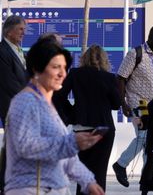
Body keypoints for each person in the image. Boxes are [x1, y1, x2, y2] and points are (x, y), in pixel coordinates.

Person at [4, 39, 104, 195]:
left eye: (64, 67)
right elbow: (25, 145)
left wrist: (88, 181)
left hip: (52, 188)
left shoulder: (45, 104)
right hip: (32, 189)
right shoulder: (25, 102)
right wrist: (71, 141)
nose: (62, 73)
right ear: (37, 69)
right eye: (56, 67)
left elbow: (65, 157)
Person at [54, 44, 122, 193]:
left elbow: (58, 96)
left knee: (83, 173)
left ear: (84, 58)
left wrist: (72, 113)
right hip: (104, 129)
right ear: (104, 60)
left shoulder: (75, 74)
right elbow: (117, 104)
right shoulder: (109, 77)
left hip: (82, 128)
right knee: (100, 173)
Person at [112, 26, 153, 188]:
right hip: (140, 103)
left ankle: (148, 180)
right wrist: (123, 103)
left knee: (151, 143)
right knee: (143, 138)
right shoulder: (135, 54)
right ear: (149, 37)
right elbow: (121, 78)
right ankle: (121, 165)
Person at [0, 15, 28, 124]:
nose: (23, 33)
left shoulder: (18, 50)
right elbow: (9, 82)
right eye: (20, 29)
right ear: (9, 31)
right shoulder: (2, 51)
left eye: (24, 29)